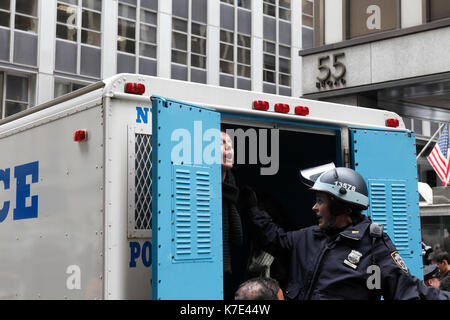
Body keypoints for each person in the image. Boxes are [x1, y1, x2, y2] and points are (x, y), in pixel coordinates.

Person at [243, 166, 450, 300]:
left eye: (320, 201)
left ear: (341, 205)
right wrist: (252, 208)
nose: (314, 208)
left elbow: (409, 292)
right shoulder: (308, 237)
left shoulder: (374, 244)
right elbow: (273, 239)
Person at [221, 130, 245, 300]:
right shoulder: (199, 182)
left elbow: (237, 238)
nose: (229, 149)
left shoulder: (230, 182)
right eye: (222, 144)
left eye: (230, 145)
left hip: (224, 264)